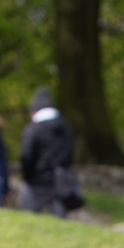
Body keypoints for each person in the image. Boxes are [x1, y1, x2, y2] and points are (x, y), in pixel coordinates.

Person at [19, 88, 77, 217]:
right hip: (59, 179)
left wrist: (27, 176)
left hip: (37, 180)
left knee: (27, 215)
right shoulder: (64, 128)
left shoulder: (33, 129)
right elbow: (69, 153)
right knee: (59, 216)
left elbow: (26, 155)